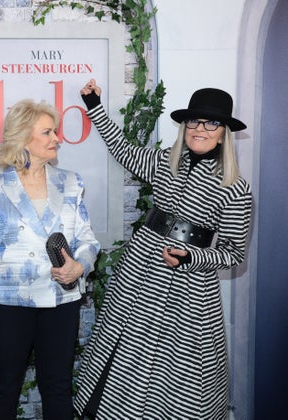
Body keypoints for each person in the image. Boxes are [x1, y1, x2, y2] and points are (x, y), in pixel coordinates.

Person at [74, 79, 252, 419]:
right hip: (139, 269)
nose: (200, 128)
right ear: (185, 126)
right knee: (121, 348)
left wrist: (192, 257)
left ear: (223, 132)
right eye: (194, 121)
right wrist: (95, 106)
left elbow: (233, 253)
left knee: (176, 365)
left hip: (187, 288)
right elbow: (122, 150)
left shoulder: (236, 188)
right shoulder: (164, 162)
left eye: (211, 122)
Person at [0, 99, 100, 419]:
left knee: (58, 388)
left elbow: (88, 240)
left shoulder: (72, 181)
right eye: (47, 132)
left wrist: (80, 266)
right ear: (23, 138)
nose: (56, 138)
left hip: (61, 301)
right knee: (4, 389)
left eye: (55, 131)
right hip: (9, 303)